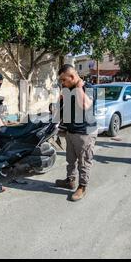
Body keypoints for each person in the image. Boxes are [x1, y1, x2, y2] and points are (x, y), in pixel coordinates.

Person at [54, 65, 97, 202]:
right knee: (70, 159)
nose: (62, 83)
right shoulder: (68, 89)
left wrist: (78, 86)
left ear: (72, 77)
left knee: (84, 161)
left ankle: (82, 186)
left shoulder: (89, 88)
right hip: (71, 131)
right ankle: (70, 180)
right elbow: (63, 108)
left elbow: (85, 105)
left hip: (85, 132)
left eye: (64, 80)